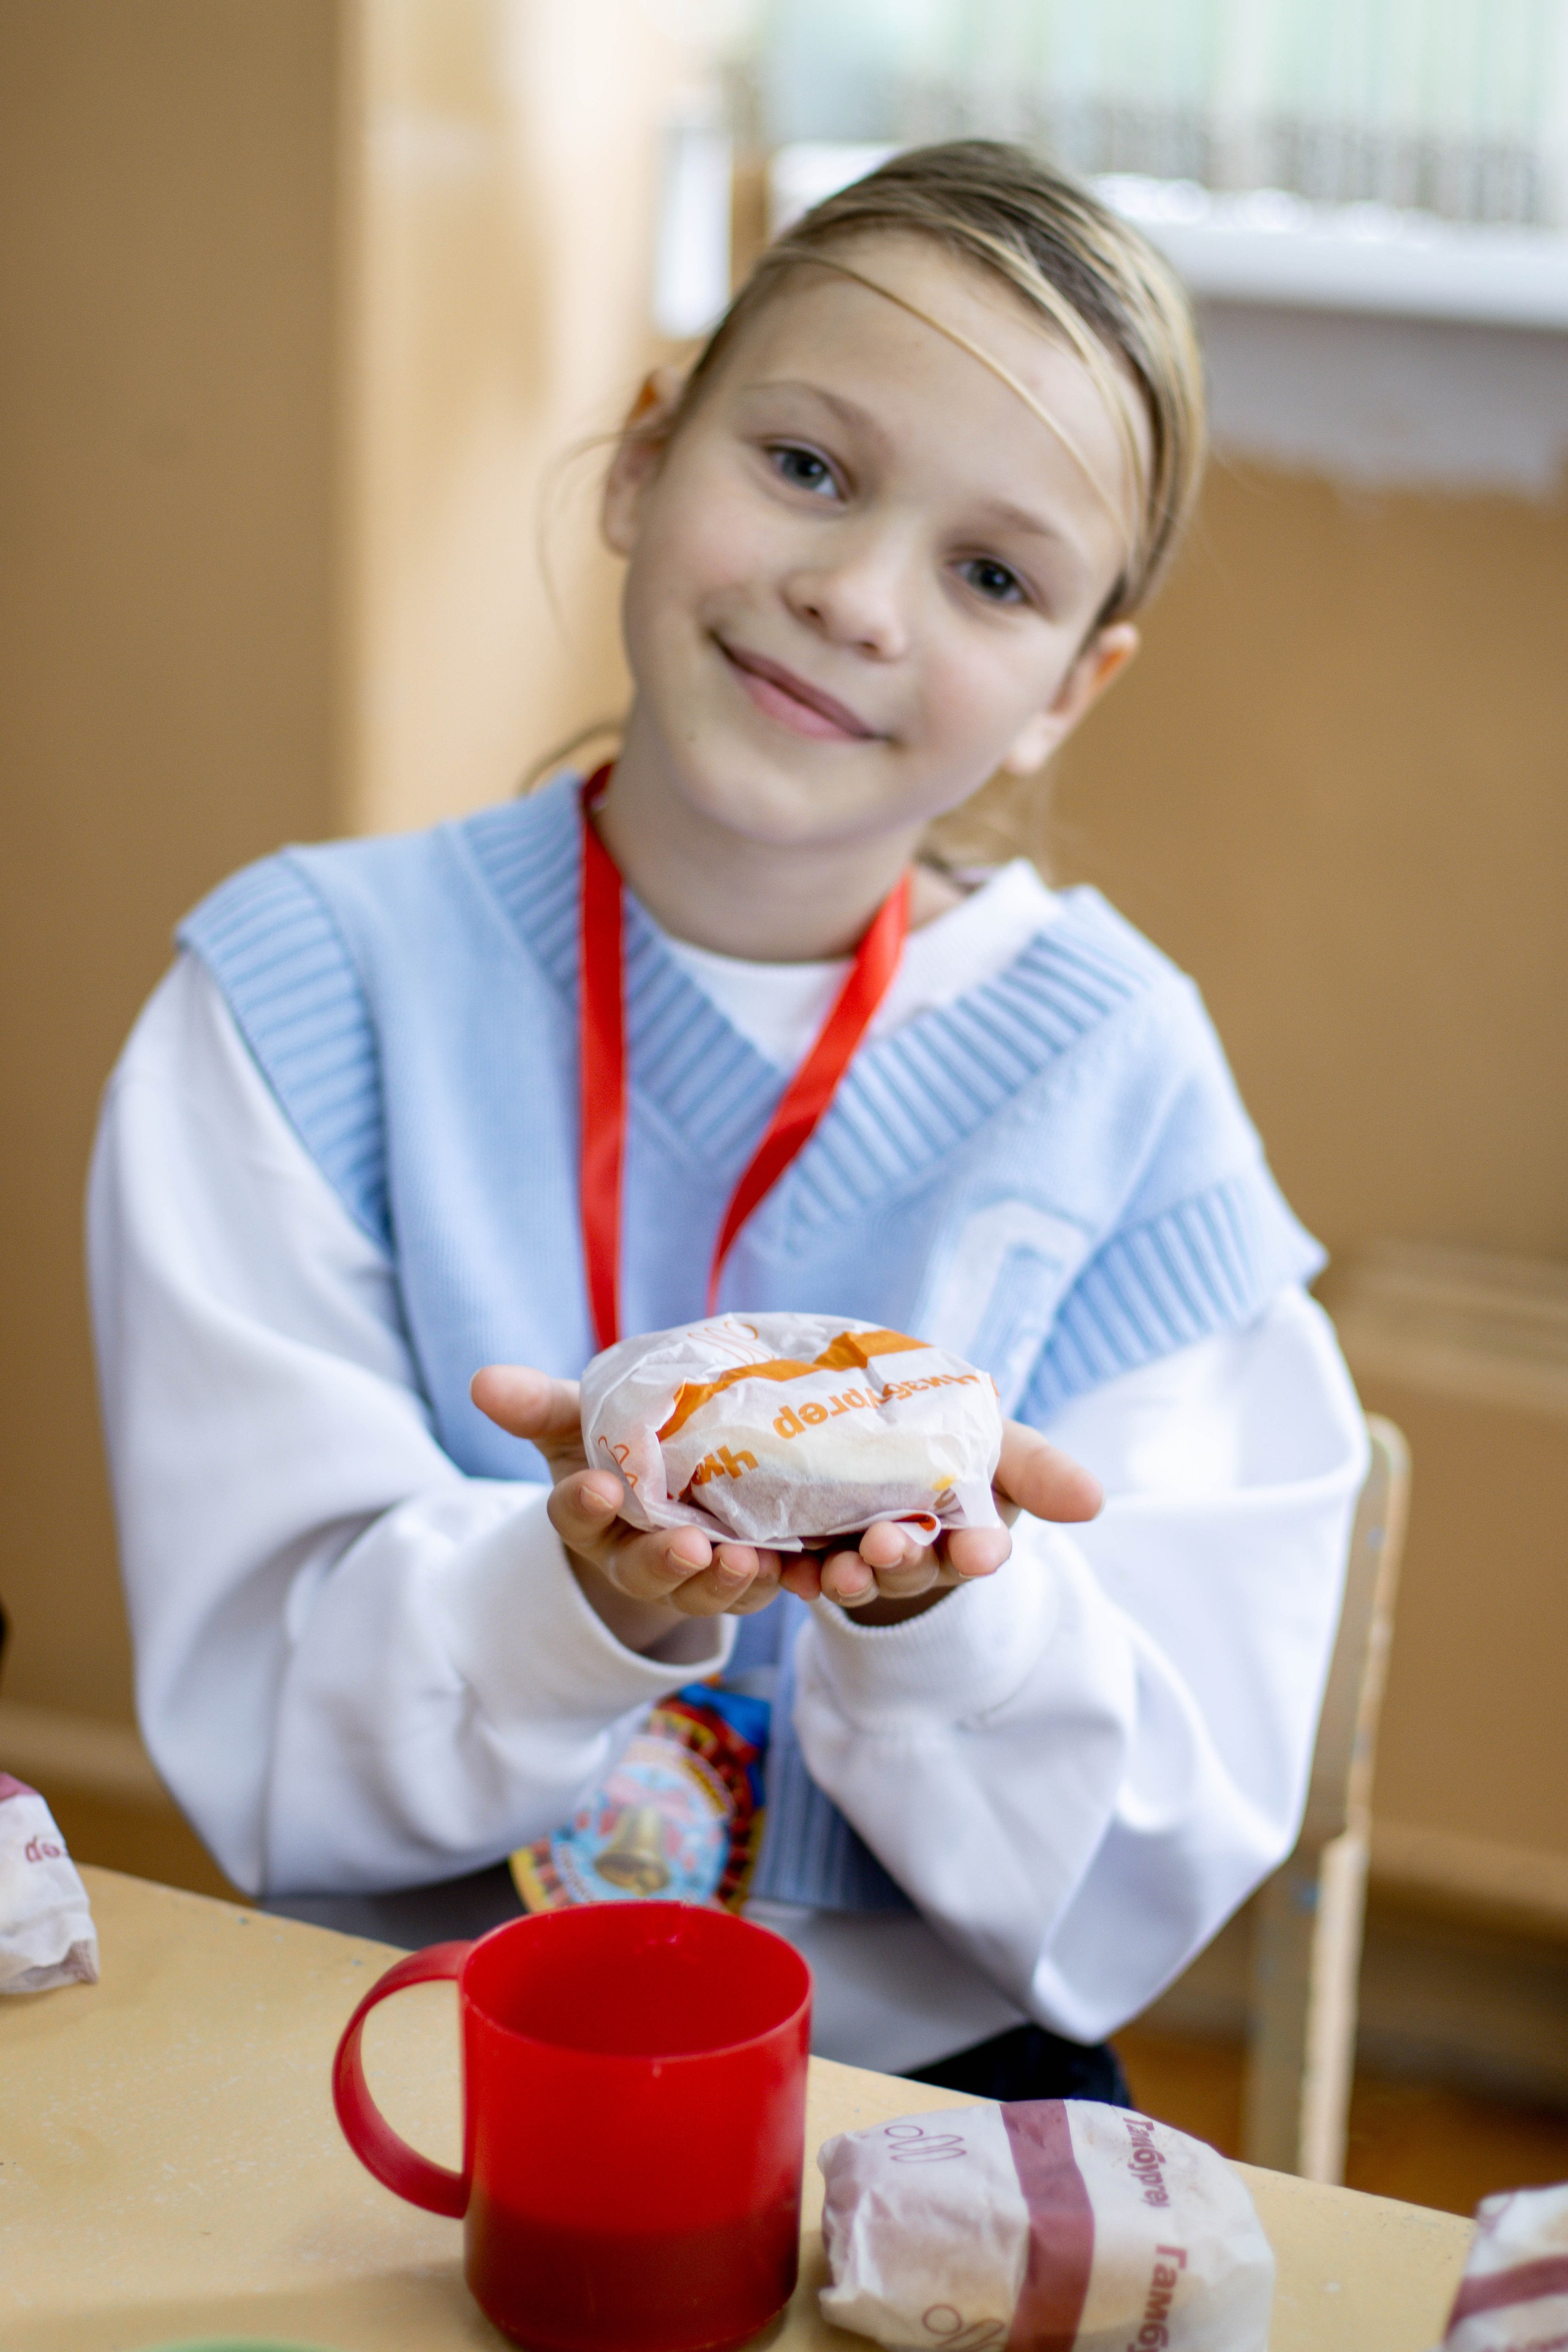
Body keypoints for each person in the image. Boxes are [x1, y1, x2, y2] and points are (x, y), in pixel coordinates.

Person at [88, 141, 1366, 2102]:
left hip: (933, 2090)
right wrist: (567, 1593)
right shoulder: (298, 1000)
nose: (854, 597)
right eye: (807, 466)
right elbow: (263, 1711)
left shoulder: (1124, 1085)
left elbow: (1146, 1858)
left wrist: (953, 1619)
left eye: (994, 574)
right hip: (403, 2054)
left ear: (1066, 691)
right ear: (639, 457)